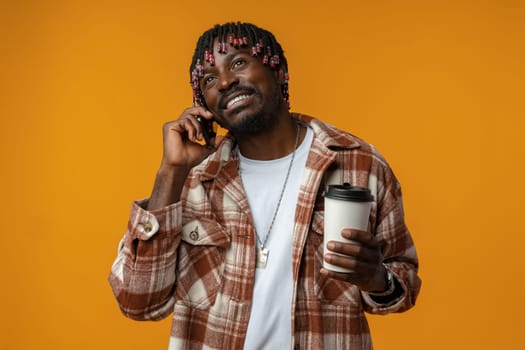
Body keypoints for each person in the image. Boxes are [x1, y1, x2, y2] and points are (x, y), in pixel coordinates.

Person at [109, 21, 421, 349]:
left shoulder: (360, 164)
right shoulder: (191, 179)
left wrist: (378, 280)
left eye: (239, 62)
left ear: (280, 71)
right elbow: (137, 301)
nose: (226, 81)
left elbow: (404, 285)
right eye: (209, 79)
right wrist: (170, 172)